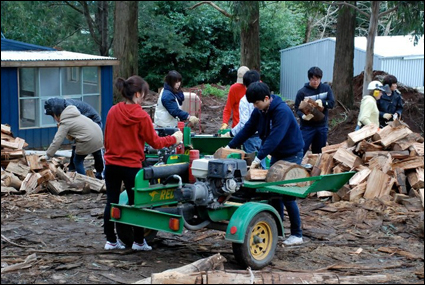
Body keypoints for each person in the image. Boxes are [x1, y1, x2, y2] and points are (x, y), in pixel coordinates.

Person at [103, 75, 183, 251]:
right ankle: (139, 242)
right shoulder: (141, 116)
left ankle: (111, 240)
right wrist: (174, 138)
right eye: (145, 95)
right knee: (137, 204)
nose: (145, 98)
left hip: (111, 165)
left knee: (111, 201)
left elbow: (106, 139)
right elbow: (155, 142)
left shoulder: (113, 111)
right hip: (132, 167)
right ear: (138, 94)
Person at [226, 81, 305, 246]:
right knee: (273, 191)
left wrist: (258, 158)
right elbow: (247, 129)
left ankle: (297, 234)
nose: (255, 106)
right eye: (253, 104)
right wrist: (230, 146)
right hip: (278, 153)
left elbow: (275, 137)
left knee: (288, 194)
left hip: (291, 152)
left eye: (257, 103)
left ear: (267, 98)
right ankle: (277, 227)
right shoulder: (260, 111)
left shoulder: (281, 111)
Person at [39, 104, 104, 179]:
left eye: (53, 117)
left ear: (56, 115)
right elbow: (72, 137)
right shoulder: (78, 116)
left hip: (87, 140)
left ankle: (85, 181)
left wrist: (48, 155)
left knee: (77, 161)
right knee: (97, 156)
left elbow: (57, 140)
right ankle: (100, 177)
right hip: (99, 137)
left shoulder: (65, 122)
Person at [222, 70, 266, 168]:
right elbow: (228, 108)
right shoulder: (265, 97)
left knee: (252, 165)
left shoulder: (245, 100)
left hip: (250, 137)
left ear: (245, 86)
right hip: (262, 135)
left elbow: (244, 124)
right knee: (262, 162)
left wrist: (232, 133)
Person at [294, 67, 335, 155]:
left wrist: (323, 103)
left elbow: (332, 103)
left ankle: (316, 167)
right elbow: (297, 108)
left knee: (319, 151)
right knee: (301, 149)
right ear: (309, 78)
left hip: (321, 125)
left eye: (318, 79)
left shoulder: (326, 89)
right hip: (307, 127)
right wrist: (302, 116)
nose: (315, 82)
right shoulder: (302, 92)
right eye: (313, 79)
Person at [220, 66, 250, 130]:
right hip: (237, 127)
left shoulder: (257, 86)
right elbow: (228, 108)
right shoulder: (234, 88)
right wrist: (225, 122)